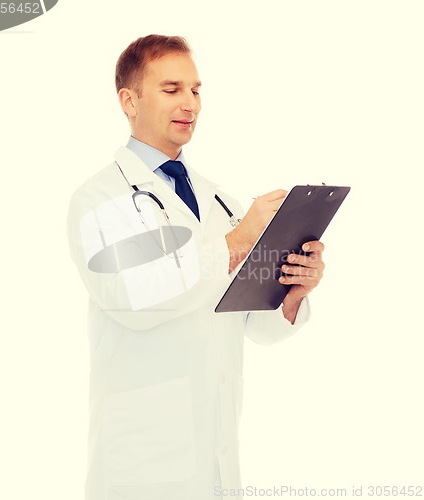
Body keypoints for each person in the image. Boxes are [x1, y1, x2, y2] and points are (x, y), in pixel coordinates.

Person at [67, 34, 325, 500]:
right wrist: (237, 241)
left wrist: (290, 292)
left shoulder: (219, 197)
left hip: (218, 454)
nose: (190, 103)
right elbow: (131, 299)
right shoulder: (99, 199)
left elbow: (252, 325)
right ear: (129, 100)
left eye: (196, 89)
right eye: (171, 89)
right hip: (142, 462)